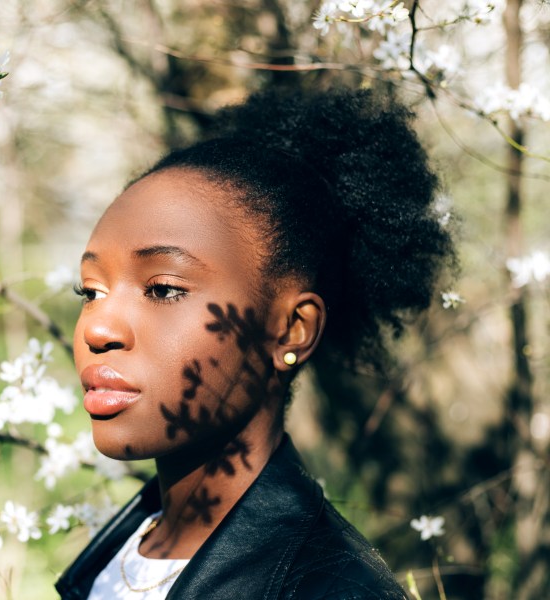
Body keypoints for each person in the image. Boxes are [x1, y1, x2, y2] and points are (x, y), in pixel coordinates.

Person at [55, 87, 454, 599]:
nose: (98, 328)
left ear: (291, 330)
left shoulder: (336, 591)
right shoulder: (116, 556)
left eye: (163, 289)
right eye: (90, 291)